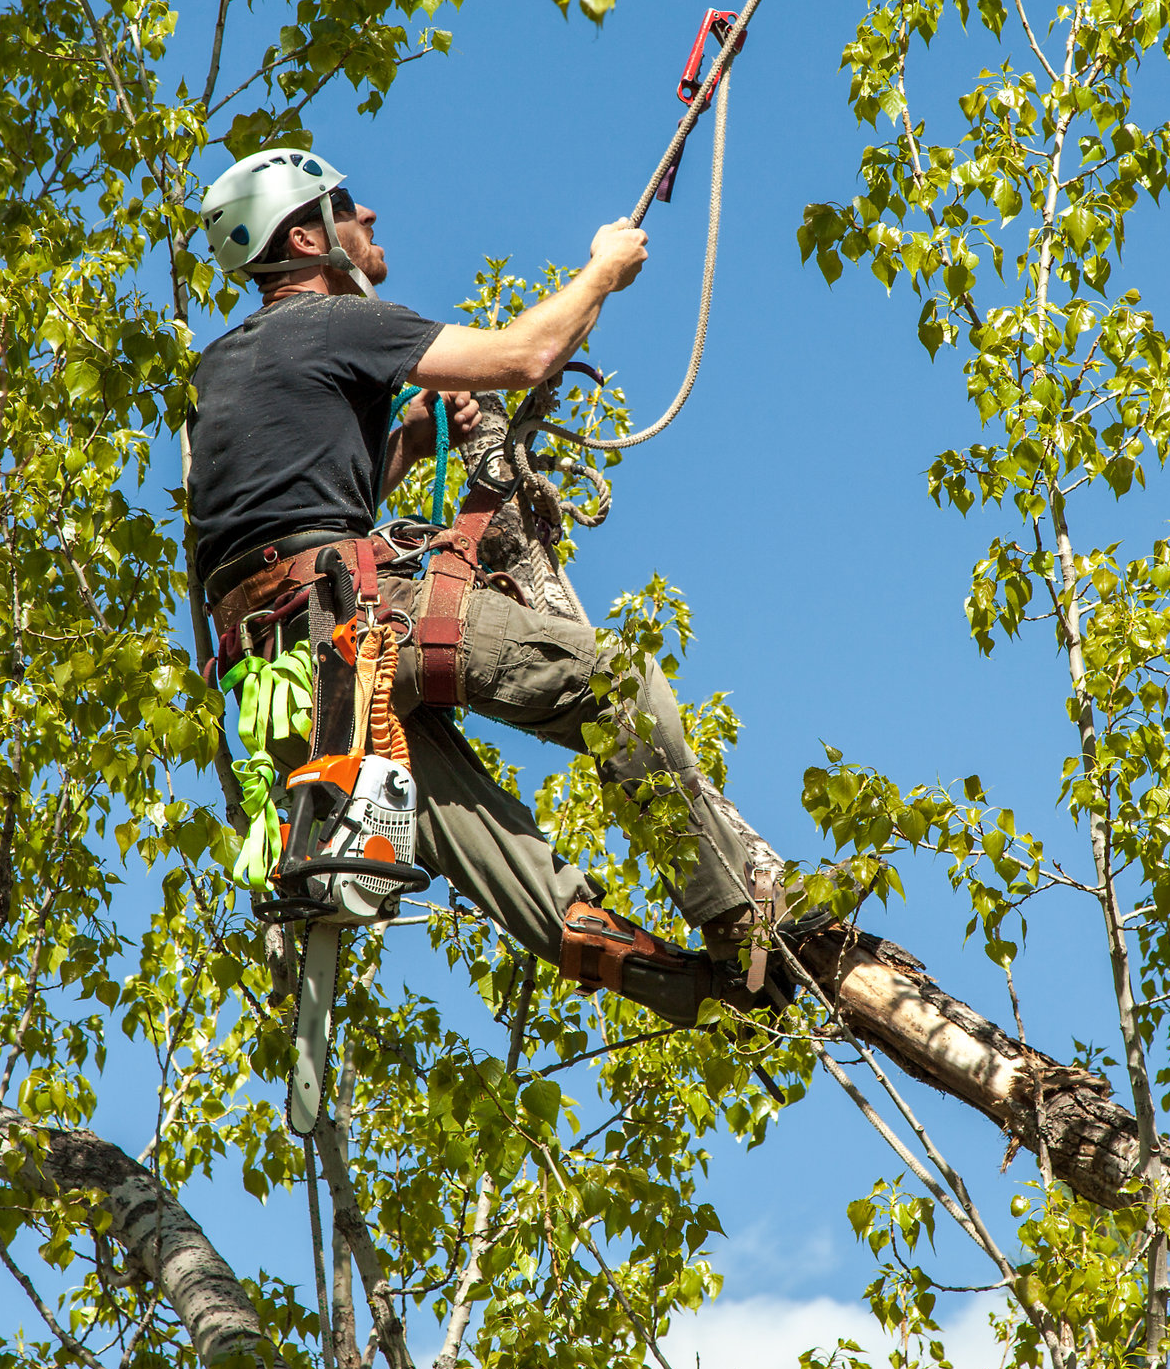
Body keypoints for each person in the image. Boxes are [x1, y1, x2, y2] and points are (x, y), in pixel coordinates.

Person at [184, 146, 775, 1025]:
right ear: (307, 238)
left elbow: (275, 520)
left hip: (284, 683)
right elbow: (528, 355)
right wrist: (603, 273)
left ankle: (691, 993)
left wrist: (409, 448)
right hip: (355, 622)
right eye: (346, 205)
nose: (370, 217)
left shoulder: (219, 369)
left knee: (485, 840)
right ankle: (740, 914)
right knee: (620, 685)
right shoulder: (333, 322)